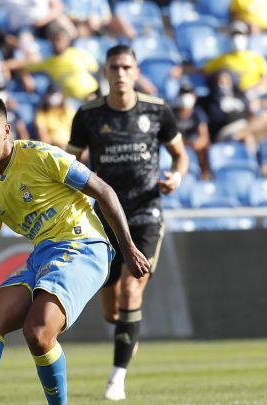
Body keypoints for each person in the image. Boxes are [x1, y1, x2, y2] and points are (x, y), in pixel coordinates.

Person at [0, 95, 151, 405]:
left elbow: (103, 190)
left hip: (83, 246)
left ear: (6, 130)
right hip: (44, 256)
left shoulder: (40, 156)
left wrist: (127, 247)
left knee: (38, 331)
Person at [66, 44, 189, 401]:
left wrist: (176, 178)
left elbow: (180, 155)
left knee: (131, 289)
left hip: (146, 214)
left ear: (135, 71)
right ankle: (128, 328)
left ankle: (116, 379)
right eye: (113, 68)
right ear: (105, 72)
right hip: (104, 218)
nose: (120, 74)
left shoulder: (158, 110)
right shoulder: (88, 115)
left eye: (126, 67)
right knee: (112, 308)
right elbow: (68, 164)